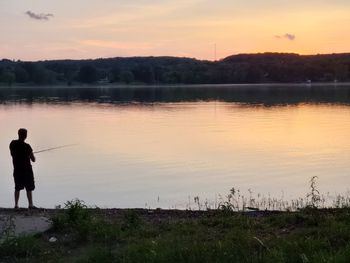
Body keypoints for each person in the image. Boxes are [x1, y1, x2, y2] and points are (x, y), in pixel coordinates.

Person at [9, 128, 37, 209]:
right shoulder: (27, 146)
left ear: (18, 134)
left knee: (17, 187)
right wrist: (31, 154)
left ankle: (16, 205)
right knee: (29, 187)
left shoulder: (12, 144)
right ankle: (30, 204)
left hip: (17, 169)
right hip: (27, 170)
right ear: (25, 136)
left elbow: (12, 154)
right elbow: (33, 160)